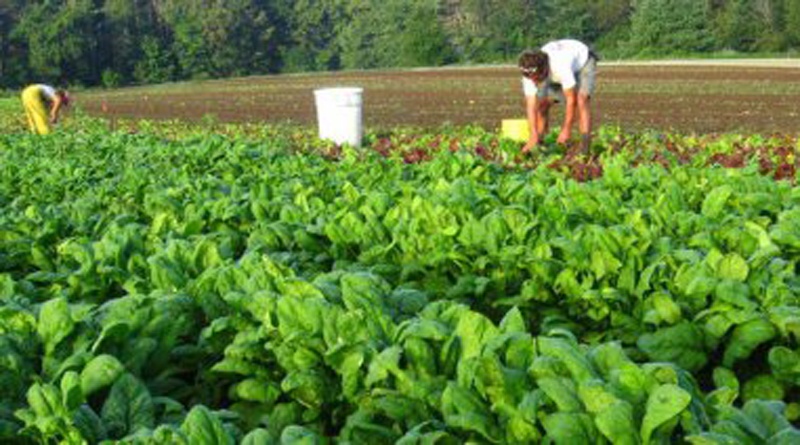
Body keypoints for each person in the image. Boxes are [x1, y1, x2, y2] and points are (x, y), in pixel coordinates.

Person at [518, 39, 598, 153]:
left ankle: (585, 146)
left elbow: (571, 100)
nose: (534, 82)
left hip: (584, 61)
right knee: (542, 104)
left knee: (581, 100)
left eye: (536, 78)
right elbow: (531, 105)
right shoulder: (529, 72)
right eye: (531, 79)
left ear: (544, 70)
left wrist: (566, 130)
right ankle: (539, 141)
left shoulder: (561, 66)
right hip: (556, 70)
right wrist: (533, 135)